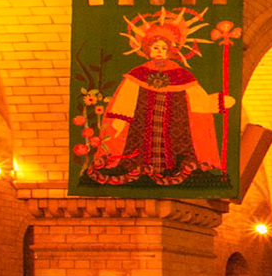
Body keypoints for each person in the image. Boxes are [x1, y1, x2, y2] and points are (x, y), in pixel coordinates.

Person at [89, 15, 232, 185]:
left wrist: (217, 102)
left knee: (176, 150)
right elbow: (125, 98)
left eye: (163, 47)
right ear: (147, 50)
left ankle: (175, 169)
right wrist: (119, 121)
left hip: (175, 125)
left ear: (170, 51)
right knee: (137, 150)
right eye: (155, 47)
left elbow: (197, 99)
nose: (159, 51)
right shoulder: (138, 73)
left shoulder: (181, 74)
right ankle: (139, 169)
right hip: (142, 125)